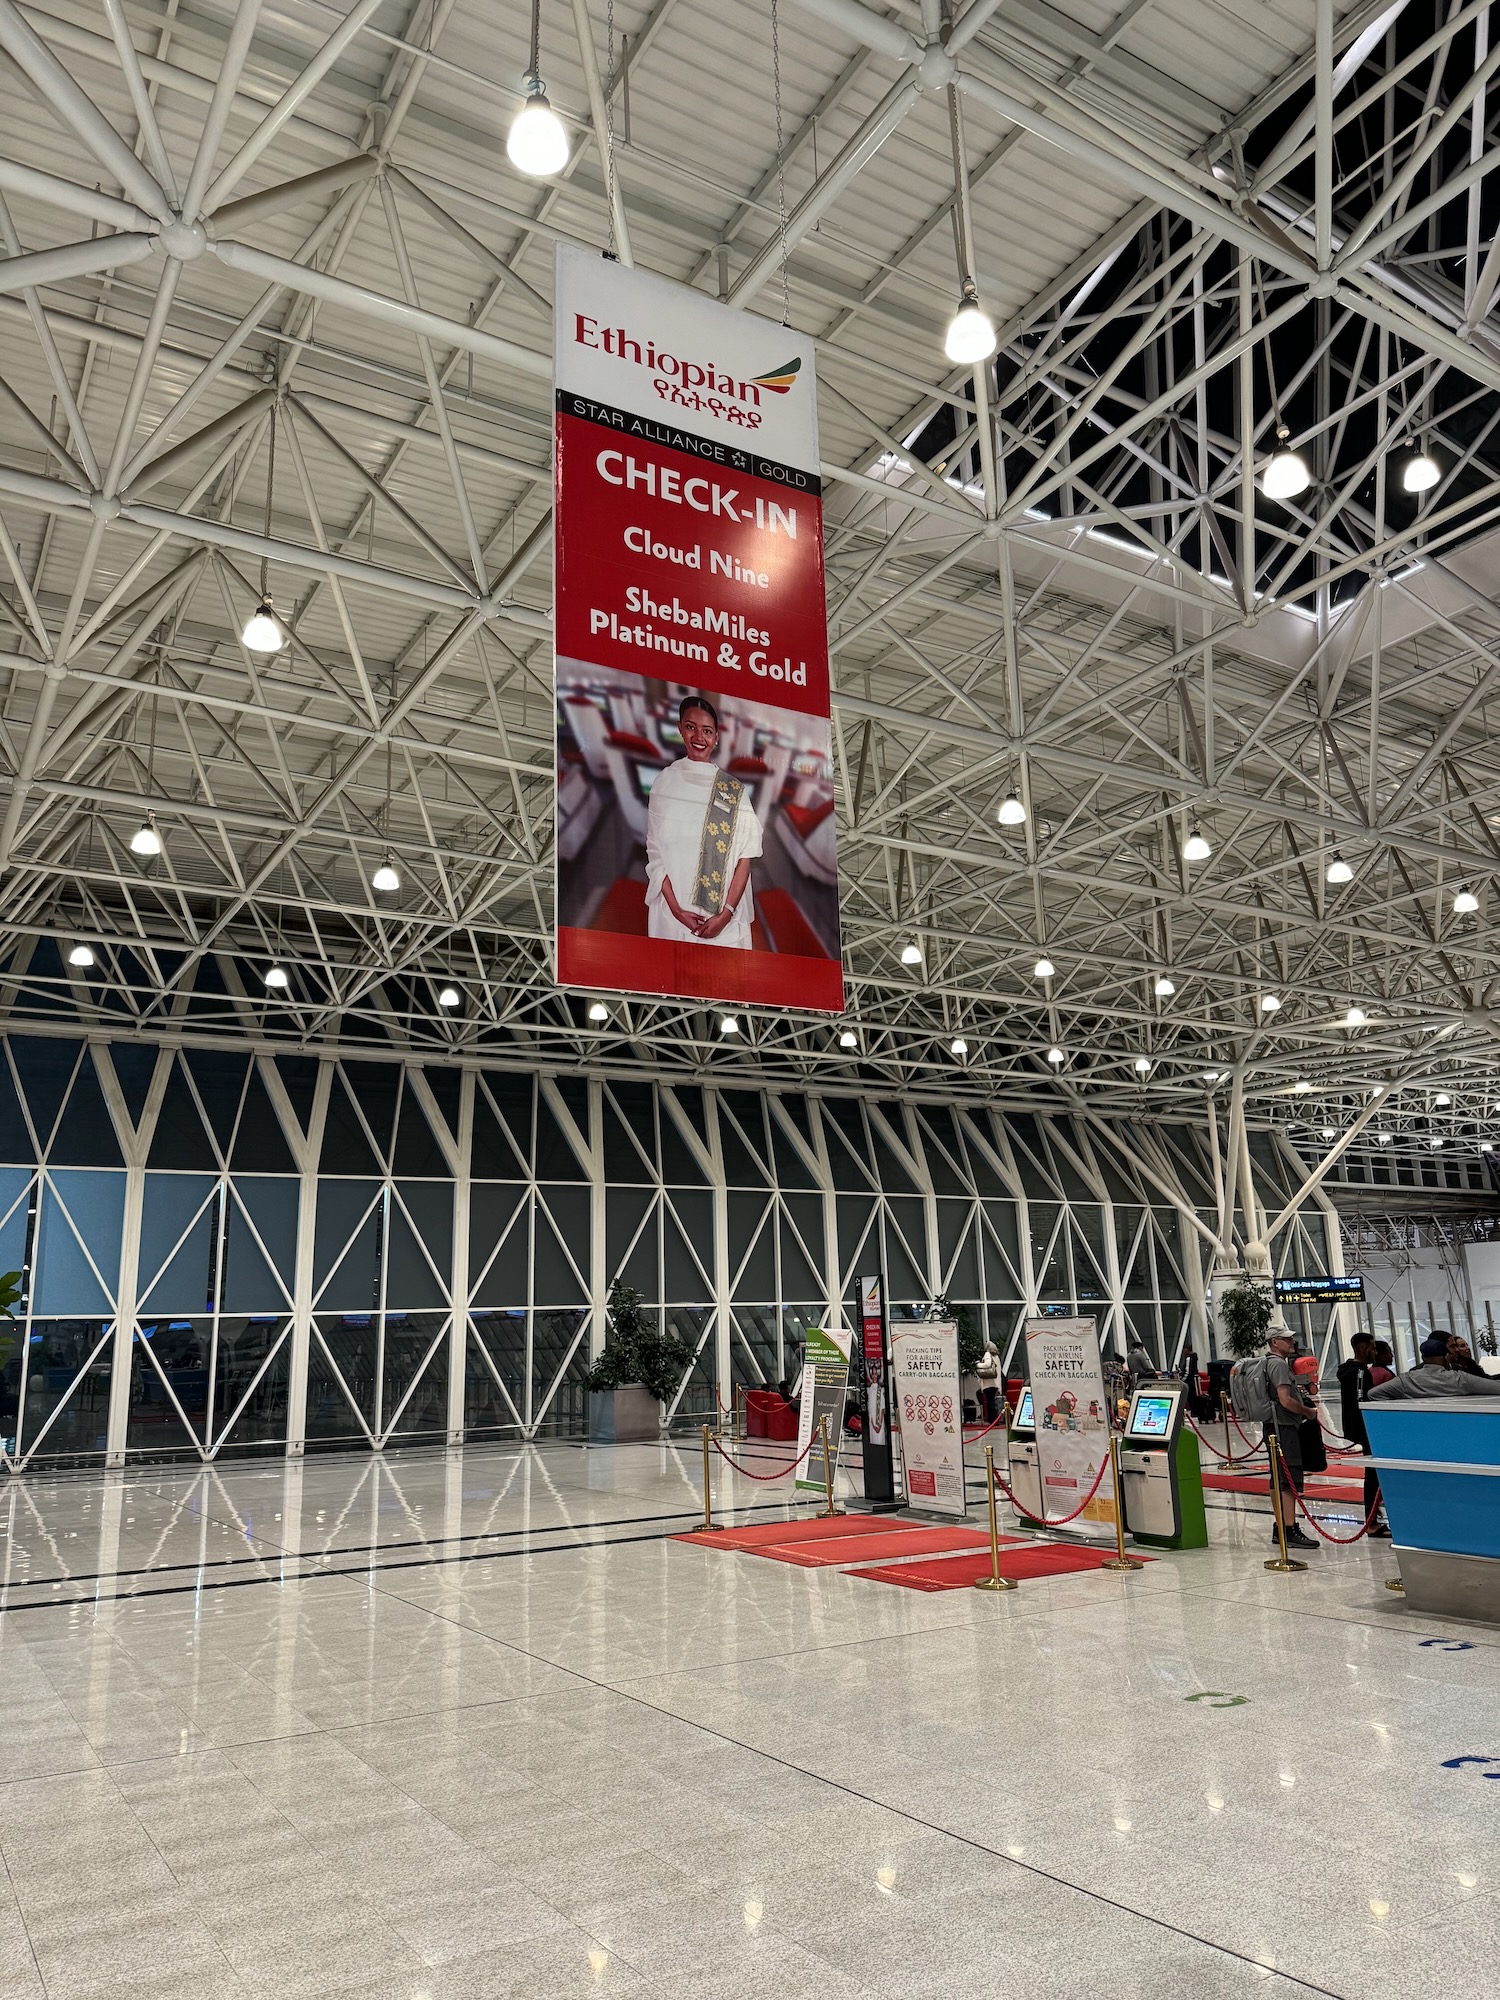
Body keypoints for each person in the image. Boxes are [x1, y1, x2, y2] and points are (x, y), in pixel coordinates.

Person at [644, 694, 763, 948]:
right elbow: (655, 854)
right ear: (680, 729)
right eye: (691, 728)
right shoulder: (665, 782)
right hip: (674, 919)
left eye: (707, 731)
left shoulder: (733, 791)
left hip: (724, 923)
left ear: (716, 737)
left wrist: (726, 914)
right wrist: (676, 911)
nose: (699, 738)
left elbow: (746, 858)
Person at [1264, 1326, 1320, 1552]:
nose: (1292, 1342)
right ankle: (1289, 1528)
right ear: (1274, 1342)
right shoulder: (1277, 1364)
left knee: (1278, 1477)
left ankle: (1282, 1528)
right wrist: (1307, 1412)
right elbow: (1285, 1400)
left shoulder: (1269, 1362)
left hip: (1275, 1426)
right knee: (1288, 1477)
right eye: (1287, 1339)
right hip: (1284, 1427)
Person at [1335, 1333, 1389, 1537]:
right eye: (1373, 1348)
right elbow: (1361, 1402)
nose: (1375, 1352)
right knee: (1373, 1475)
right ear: (1363, 1347)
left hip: (1358, 1427)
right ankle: (1372, 1520)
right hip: (1366, 1428)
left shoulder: (1349, 1371)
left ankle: (1374, 1517)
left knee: (1373, 1475)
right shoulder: (1359, 1373)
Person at [1367, 1333, 1500, 1400]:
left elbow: (1373, 1394)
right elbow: (1495, 1388)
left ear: (1423, 1358)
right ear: (1446, 1357)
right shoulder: (1459, 1378)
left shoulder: (1406, 1380)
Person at [976, 1344, 1001, 1423]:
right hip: (994, 1383)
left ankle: (992, 1420)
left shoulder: (987, 1354)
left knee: (990, 1402)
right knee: (992, 1402)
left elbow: (987, 1364)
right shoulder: (996, 1357)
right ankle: (993, 1419)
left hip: (988, 1382)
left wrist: (978, 1364)